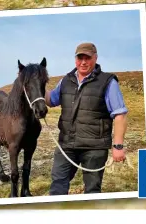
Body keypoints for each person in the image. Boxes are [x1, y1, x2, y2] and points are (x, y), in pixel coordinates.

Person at [45, 42, 128, 195]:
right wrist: (36, 82)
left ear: (95, 58)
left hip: (94, 148)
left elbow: (120, 115)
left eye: (87, 58)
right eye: (80, 58)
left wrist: (118, 146)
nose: (83, 62)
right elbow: (51, 100)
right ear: (75, 59)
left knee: (92, 190)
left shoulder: (108, 82)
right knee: (57, 186)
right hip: (66, 145)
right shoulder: (66, 80)